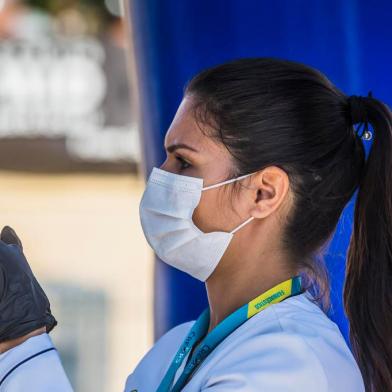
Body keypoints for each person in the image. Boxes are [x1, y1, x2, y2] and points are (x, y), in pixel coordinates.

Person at [1, 57, 391, 391]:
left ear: (263, 193)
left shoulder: (288, 368)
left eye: (184, 162)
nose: (161, 175)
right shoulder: (172, 352)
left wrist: (22, 345)